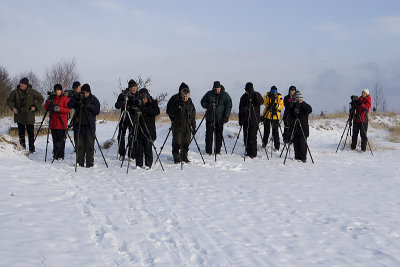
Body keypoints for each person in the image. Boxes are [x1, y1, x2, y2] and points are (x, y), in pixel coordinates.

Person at [7, 77, 44, 153]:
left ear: (26, 85)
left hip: (29, 115)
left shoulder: (32, 92)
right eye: (20, 83)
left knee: (30, 133)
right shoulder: (15, 92)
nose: (21, 85)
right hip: (19, 115)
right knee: (21, 133)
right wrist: (13, 108)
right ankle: (22, 148)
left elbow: (41, 99)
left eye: (23, 83)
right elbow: (9, 100)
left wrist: (35, 107)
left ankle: (32, 149)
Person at [67, 83, 100, 167]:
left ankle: (89, 163)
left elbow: (97, 111)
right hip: (79, 126)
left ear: (89, 92)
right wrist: (75, 98)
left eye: (86, 92)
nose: (84, 94)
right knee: (79, 146)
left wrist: (90, 106)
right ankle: (79, 162)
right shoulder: (78, 98)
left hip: (89, 126)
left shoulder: (93, 99)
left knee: (89, 146)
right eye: (83, 92)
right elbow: (68, 105)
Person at [166, 83, 196, 164]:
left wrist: (194, 127)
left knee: (186, 143)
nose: (185, 96)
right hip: (177, 124)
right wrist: (173, 117)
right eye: (184, 93)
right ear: (181, 92)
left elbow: (193, 116)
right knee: (177, 142)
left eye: (187, 95)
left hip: (187, 126)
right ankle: (176, 157)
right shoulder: (175, 99)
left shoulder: (190, 102)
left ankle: (184, 156)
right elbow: (169, 110)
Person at [200, 81, 232, 155]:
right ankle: (208, 151)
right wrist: (207, 105)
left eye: (218, 88)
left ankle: (217, 151)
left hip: (220, 119)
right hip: (209, 118)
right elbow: (202, 102)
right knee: (209, 135)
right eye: (215, 88)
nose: (217, 90)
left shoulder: (225, 95)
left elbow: (228, 106)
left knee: (219, 135)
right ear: (213, 88)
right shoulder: (208, 94)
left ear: (220, 88)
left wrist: (226, 116)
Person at [133, 88, 160, 169]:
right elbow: (132, 111)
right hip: (139, 128)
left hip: (149, 129)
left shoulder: (152, 102)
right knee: (139, 148)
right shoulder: (137, 102)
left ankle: (148, 164)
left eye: (145, 98)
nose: (144, 100)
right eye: (142, 98)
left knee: (148, 148)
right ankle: (139, 164)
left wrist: (147, 110)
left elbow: (157, 112)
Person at [44, 84, 70, 160]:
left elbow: (68, 109)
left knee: (61, 141)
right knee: (55, 141)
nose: (57, 91)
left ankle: (61, 156)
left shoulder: (65, 99)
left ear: (61, 90)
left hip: (61, 124)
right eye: (56, 90)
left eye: (58, 90)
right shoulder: (52, 98)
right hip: (53, 123)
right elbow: (46, 107)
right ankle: (55, 155)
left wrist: (59, 109)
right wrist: (48, 100)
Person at [114, 79, 139, 160]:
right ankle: (122, 153)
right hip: (124, 117)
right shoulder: (123, 95)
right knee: (121, 135)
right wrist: (124, 102)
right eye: (132, 87)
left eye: (135, 87)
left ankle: (132, 154)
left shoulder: (138, 95)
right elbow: (117, 105)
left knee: (132, 136)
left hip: (133, 117)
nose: (134, 89)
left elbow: (137, 103)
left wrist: (132, 98)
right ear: (129, 88)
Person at [238, 82, 263, 158]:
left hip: (254, 120)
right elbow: (240, 108)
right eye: (246, 91)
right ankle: (248, 152)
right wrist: (240, 119)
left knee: (252, 136)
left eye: (248, 91)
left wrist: (254, 95)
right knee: (246, 137)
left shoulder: (257, 94)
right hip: (245, 120)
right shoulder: (243, 97)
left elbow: (261, 102)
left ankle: (253, 153)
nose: (247, 92)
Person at [287, 91, 312, 162]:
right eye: (298, 99)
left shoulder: (305, 105)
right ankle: (297, 156)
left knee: (302, 143)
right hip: (295, 127)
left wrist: (302, 103)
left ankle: (303, 158)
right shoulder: (294, 105)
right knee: (296, 142)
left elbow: (309, 110)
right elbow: (290, 113)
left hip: (303, 128)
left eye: (300, 99)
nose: (299, 101)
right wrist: (293, 105)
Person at [261, 85, 283, 150]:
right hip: (267, 116)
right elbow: (263, 102)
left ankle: (277, 146)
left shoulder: (279, 97)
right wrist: (268, 97)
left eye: (275, 92)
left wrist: (276, 105)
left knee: (275, 132)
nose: (274, 94)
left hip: (275, 116)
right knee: (266, 131)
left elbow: (281, 106)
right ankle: (264, 144)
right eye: (273, 92)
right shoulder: (267, 96)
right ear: (270, 92)